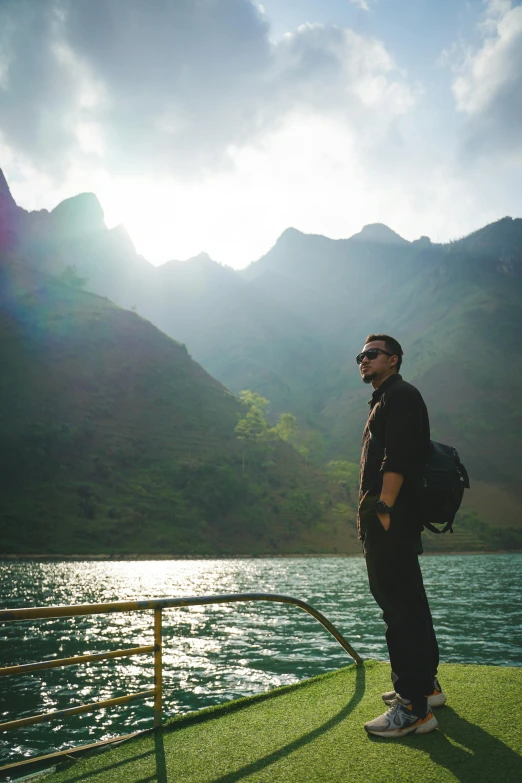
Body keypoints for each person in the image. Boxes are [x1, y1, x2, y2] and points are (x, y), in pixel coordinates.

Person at [356, 333, 445, 738]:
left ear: (393, 359)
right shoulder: (386, 398)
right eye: (360, 355)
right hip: (390, 514)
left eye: (371, 354)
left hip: (389, 514)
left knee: (399, 610)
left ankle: (413, 709)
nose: (363, 359)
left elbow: (398, 457)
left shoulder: (400, 395)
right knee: (410, 603)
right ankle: (424, 688)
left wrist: (385, 507)